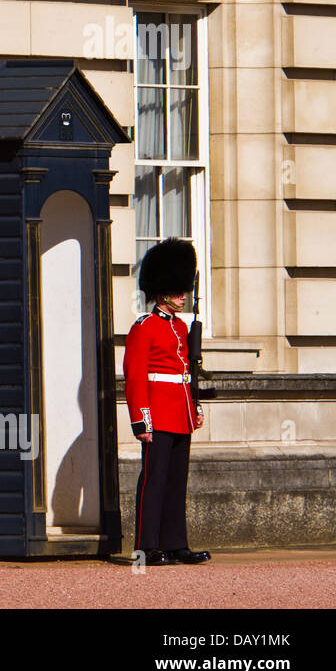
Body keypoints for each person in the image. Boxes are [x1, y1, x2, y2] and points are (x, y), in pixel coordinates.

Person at [123, 237, 213, 567]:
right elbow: (135, 378)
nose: (183, 294)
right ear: (162, 291)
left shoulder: (180, 327)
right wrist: (141, 420)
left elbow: (187, 372)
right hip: (157, 414)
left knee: (177, 482)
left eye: (183, 289)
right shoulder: (144, 327)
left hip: (180, 413)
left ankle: (176, 544)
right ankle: (147, 547)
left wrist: (195, 406)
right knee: (154, 480)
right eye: (177, 290)